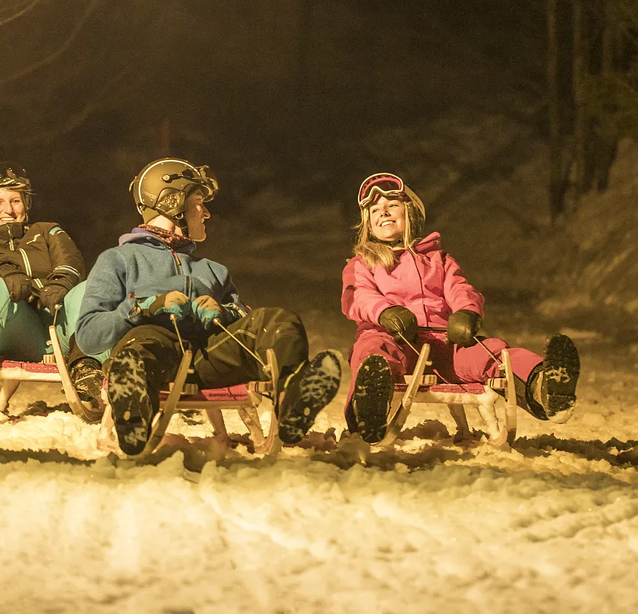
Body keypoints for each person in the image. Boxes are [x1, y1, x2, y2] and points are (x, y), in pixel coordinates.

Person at [75, 158, 342, 456]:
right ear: (171, 202)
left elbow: (243, 315)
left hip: (209, 358)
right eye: (198, 202)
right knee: (142, 343)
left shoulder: (213, 270)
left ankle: (293, 400)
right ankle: (134, 413)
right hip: (155, 358)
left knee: (277, 320)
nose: (207, 213)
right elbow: (89, 335)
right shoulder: (119, 260)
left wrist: (224, 311)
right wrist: (142, 309)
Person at [341, 172, 580, 444]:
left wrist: (467, 312)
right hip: (394, 335)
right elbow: (357, 297)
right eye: (374, 210)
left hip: (443, 343)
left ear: (411, 213)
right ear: (367, 223)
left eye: (392, 205)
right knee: (371, 349)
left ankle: (545, 386)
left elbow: (461, 289)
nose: (383, 212)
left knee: (490, 353)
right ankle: (368, 404)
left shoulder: (438, 260)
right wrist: (385, 313)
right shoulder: (362, 263)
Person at [0, 162, 104, 402]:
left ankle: (87, 366)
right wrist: (3, 273)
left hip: (60, 326)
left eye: (15, 200)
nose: (9, 210)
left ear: (26, 204)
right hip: (17, 331)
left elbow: (70, 259)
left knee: (91, 288)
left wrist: (60, 283)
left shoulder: (47, 231)